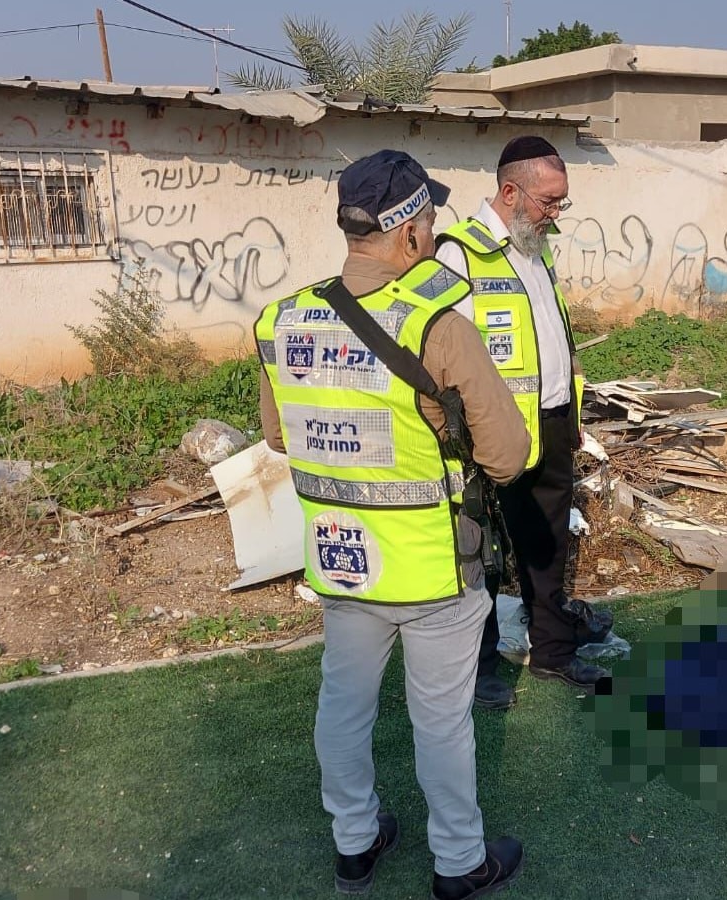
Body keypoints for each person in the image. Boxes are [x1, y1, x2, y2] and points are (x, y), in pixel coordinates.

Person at [255, 149, 529, 898]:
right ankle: (459, 863)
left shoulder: (283, 319)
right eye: (430, 219)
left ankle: (355, 842)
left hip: (341, 561)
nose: (434, 231)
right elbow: (507, 457)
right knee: (441, 723)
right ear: (410, 233)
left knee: (343, 706)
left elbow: (278, 435)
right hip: (433, 568)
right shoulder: (438, 326)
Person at [435, 134, 607, 709]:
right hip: (492, 434)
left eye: (562, 201)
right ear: (510, 193)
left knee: (548, 543)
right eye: (548, 201)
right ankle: (480, 668)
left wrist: (570, 406)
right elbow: (445, 356)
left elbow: (552, 333)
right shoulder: (459, 255)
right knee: (481, 554)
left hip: (551, 421)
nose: (556, 213)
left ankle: (553, 650)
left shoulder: (537, 248)